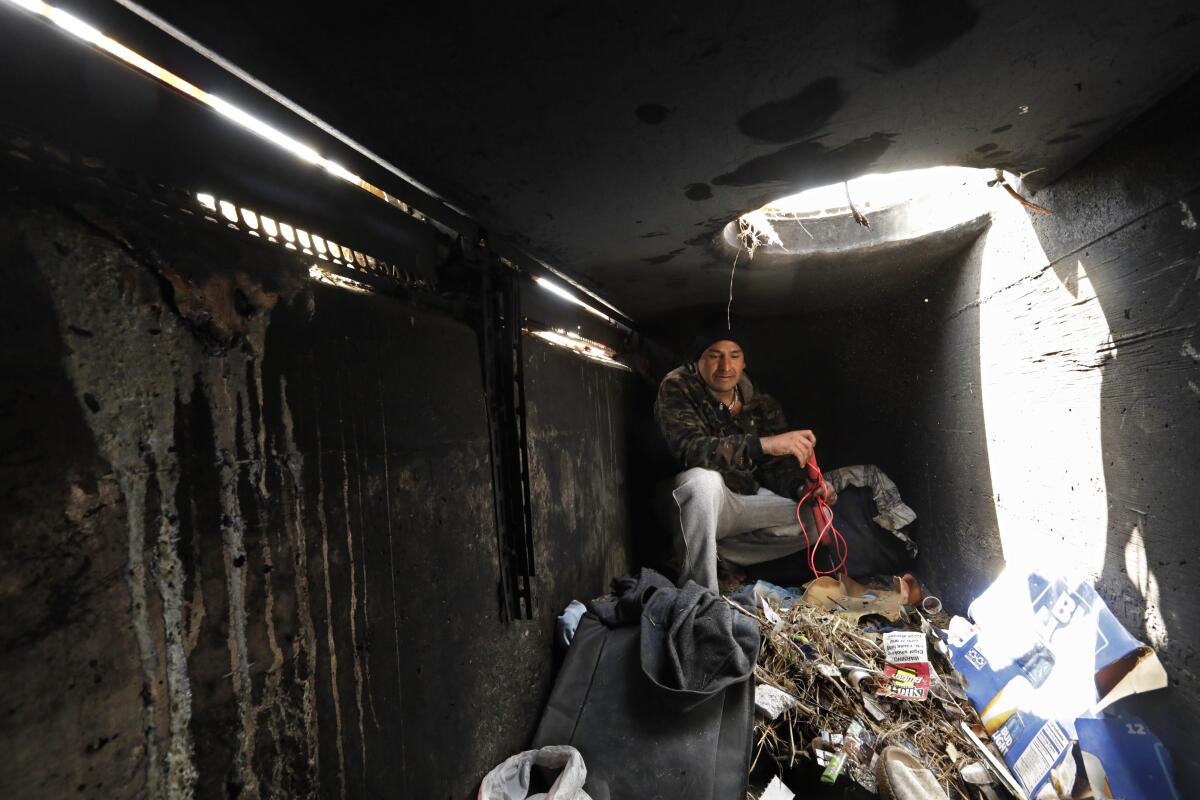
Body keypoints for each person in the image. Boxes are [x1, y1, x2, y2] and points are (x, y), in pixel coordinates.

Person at [654, 326, 912, 592]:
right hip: (689, 501)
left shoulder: (760, 403)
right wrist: (764, 445)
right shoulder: (678, 386)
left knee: (816, 515)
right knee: (702, 482)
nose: (725, 365)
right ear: (698, 360)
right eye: (714, 355)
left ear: (744, 362)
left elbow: (775, 467)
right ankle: (700, 595)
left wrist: (802, 488)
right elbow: (690, 450)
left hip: (739, 501)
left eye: (734, 355)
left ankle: (717, 555)